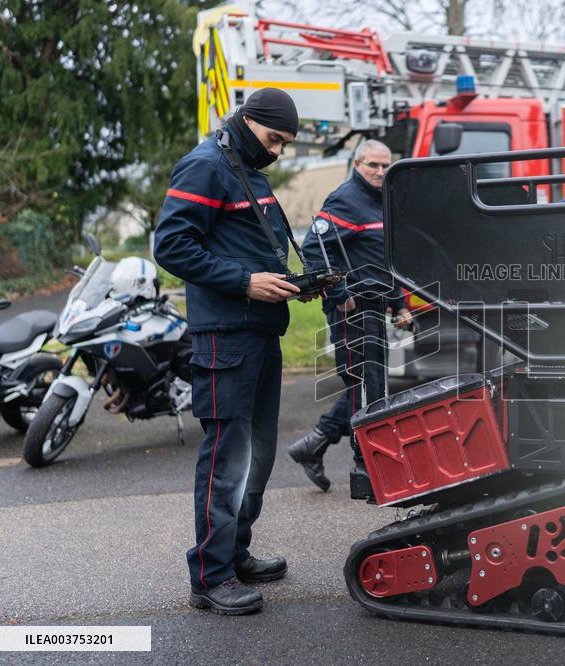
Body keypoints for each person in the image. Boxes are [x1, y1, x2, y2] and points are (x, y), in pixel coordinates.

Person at [154, 88, 308, 614]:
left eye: (285, 144)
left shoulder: (243, 164)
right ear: (248, 122)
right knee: (227, 458)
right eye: (274, 140)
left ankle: (234, 553)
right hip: (226, 337)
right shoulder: (205, 166)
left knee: (258, 455)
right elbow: (171, 246)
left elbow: (247, 243)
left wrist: (294, 282)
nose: (278, 152)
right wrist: (245, 282)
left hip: (260, 331)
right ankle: (210, 576)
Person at [286, 139, 412, 491]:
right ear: (357, 164)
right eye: (373, 164)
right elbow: (314, 249)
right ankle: (365, 469)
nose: (380, 171)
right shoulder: (346, 199)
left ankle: (315, 445)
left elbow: (385, 260)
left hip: (375, 305)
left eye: (385, 165)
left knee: (370, 385)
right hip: (351, 308)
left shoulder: (382, 202)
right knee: (366, 389)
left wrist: (399, 303)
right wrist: (339, 294)